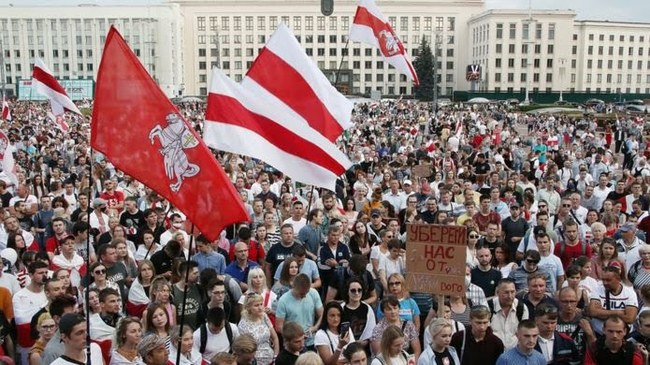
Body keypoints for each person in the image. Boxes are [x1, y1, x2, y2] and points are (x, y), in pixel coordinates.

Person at [275, 273, 324, 351]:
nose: (304, 296)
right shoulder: (283, 300)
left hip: (311, 341)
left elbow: (322, 315)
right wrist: (295, 335)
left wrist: (315, 327)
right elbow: (278, 326)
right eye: (301, 293)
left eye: (306, 293)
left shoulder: (313, 293)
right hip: (293, 344)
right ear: (294, 287)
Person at [588, 263, 638, 335]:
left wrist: (602, 312)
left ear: (618, 279)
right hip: (600, 334)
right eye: (603, 280)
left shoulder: (629, 293)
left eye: (608, 280)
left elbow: (630, 318)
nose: (605, 283)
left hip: (622, 335)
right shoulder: (598, 289)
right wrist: (618, 312)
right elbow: (593, 312)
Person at [14, 261, 49, 365]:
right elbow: (22, 320)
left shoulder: (49, 292)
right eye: (40, 273)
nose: (44, 275)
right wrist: (45, 309)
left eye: (46, 272)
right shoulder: (19, 296)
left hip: (49, 341)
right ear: (30, 275)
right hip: (29, 345)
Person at [370, 296, 421, 360]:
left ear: (399, 309)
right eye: (389, 309)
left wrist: (412, 363)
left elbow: (417, 350)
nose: (393, 312)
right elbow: (379, 354)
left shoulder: (409, 325)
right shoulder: (378, 329)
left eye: (395, 308)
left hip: (405, 359)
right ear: (383, 312)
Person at [237, 293, 279, 365]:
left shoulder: (264, 316)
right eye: (256, 305)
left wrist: (275, 357)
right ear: (248, 307)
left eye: (261, 304)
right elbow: (244, 350)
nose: (260, 308)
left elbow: (275, 338)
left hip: (271, 359)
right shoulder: (243, 324)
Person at [488, 278, 530, 349]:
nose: (510, 296)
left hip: (516, 352)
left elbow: (525, 333)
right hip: (492, 351)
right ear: (497, 292)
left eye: (512, 292)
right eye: (506, 292)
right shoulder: (488, 307)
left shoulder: (522, 308)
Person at [341, 278, 376, 353]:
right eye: (353, 290)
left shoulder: (368, 308)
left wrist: (365, 342)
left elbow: (372, 330)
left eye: (359, 290)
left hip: (364, 350)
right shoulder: (341, 309)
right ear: (347, 292)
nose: (357, 293)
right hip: (345, 349)